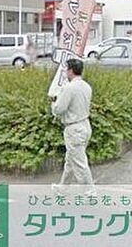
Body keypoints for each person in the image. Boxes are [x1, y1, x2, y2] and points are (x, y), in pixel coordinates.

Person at [51, 58, 94, 186]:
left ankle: (89, 192)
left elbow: (59, 109)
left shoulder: (69, 88)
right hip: (85, 125)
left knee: (80, 164)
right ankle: (63, 188)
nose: (65, 72)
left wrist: (54, 101)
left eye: (66, 70)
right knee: (70, 160)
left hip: (74, 129)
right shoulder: (86, 86)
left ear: (70, 71)